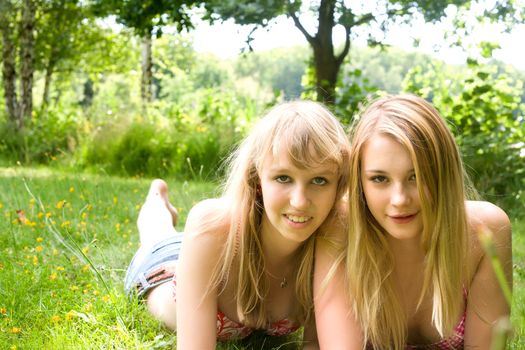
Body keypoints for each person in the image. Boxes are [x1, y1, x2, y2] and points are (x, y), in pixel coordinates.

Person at [124, 100, 350, 349]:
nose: (299, 201)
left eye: (319, 180)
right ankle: (157, 198)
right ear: (257, 180)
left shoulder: (334, 236)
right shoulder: (210, 225)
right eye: (283, 178)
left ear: (338, 184)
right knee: (157, 232)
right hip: (163, 268)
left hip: (204, 253)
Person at [314, 94, 512, 349]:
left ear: (443, 173)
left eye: (416, 176)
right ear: (360, 182)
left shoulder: (485, 232)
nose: (399, 199)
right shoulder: (340, 231)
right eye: (379, 179)